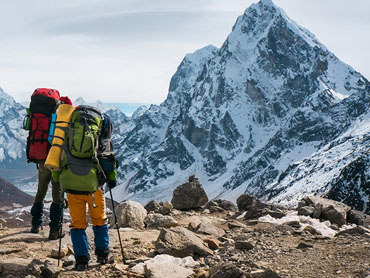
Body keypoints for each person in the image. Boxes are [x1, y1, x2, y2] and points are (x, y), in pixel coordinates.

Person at [51, 105, 117, 271]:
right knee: (99, 220)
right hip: (93, 186)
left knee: (78, 223)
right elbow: (107, 159)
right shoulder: (99, 133)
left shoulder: (67, 131)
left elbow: (58, 156)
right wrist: (111, 179)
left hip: (72, 185)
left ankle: (81, 260)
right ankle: (102, 255)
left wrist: (56, 178)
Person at [29, 95, 73, 240]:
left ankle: (35, 225)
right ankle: (55, 230)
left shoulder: (43, 114)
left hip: (42, 159)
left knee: (40, 191)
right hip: (56, 159)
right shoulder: (63, 115)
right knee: (57, 196)